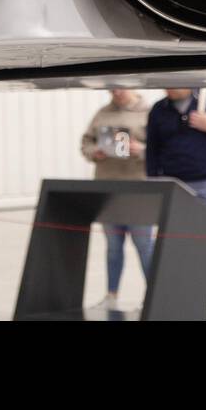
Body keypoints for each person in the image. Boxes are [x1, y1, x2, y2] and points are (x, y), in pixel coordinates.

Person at [145, 87, 206, 319]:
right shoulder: (159, 109)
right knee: (172, 246)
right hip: (171, 184)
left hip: (204, 183)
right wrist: (153, 185)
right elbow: (152, 151)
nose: (169, 87)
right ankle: (175, 303)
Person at [80, 88, 154, 310]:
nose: (117, 92)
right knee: (113, 246)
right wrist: (95, 152)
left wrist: (141, 150)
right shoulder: (102, 113)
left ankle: (152, 295)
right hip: (107, 187)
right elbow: (85, 143)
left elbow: (164, 149)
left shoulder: (149, 113)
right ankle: (111, 296)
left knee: (143, 244)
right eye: (112, 88)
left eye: (122, 87)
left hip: (138, 189)